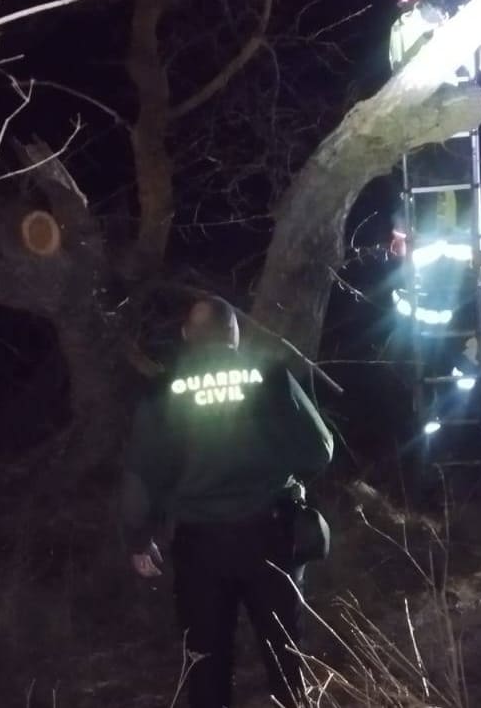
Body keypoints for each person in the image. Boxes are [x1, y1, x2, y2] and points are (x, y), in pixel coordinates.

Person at [120, 297, 334, 708]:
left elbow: (140, 476)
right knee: (285, 660)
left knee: (206, 666)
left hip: (199, 547)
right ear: (235, 336)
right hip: (270, 537)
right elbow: (320, 448)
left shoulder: (163, 391)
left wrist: (137, 538)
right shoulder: (269, 376)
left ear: (186, 336)